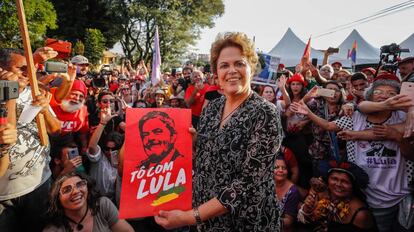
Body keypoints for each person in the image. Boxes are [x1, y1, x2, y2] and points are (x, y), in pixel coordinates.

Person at [154, 32, 283, 231]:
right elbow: (204, 159)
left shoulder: (265, 113)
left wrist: (189, 217)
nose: (232, 70)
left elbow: (246, 184)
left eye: (239, 63)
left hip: (245, 222)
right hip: (206, 221)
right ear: (216, 73)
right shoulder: (212, 108)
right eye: (224, 65)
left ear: (251, 68)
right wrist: (192, 142)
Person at [298, 160, 377, 232]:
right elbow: (305, 223)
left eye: (345, 181)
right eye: (334, 179)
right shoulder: (320, 195)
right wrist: (307, 209)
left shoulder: (360, 214)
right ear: (327, 181)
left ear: (353, 186)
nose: (338, 184)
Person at [43, 172, 134, 232]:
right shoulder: (52, 230)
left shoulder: (103, 205)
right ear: (57, 200)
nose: (75, 191)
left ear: (88, 188)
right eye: (67, 190)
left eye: (80, 184)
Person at [274, 156, 301, 232]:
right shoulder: (267, 185)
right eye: (276, 167)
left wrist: (269, 221)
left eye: (284, 168)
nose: (280, 170)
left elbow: (289, 221)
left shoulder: (293, 191)